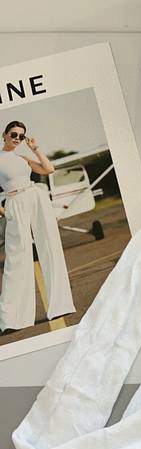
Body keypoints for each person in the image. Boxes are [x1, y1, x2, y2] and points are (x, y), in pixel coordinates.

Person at [0, 120, 75, 333]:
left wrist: (35, 149)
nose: (17, 139)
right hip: (14, 202)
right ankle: (12, 319)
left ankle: (60, 305)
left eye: (21, 136)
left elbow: (48, 169)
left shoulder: (22, 158)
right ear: (4, 135)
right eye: (13, 134)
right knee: (16, 259)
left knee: (51, 247)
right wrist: (4, 212)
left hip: (36, 197)